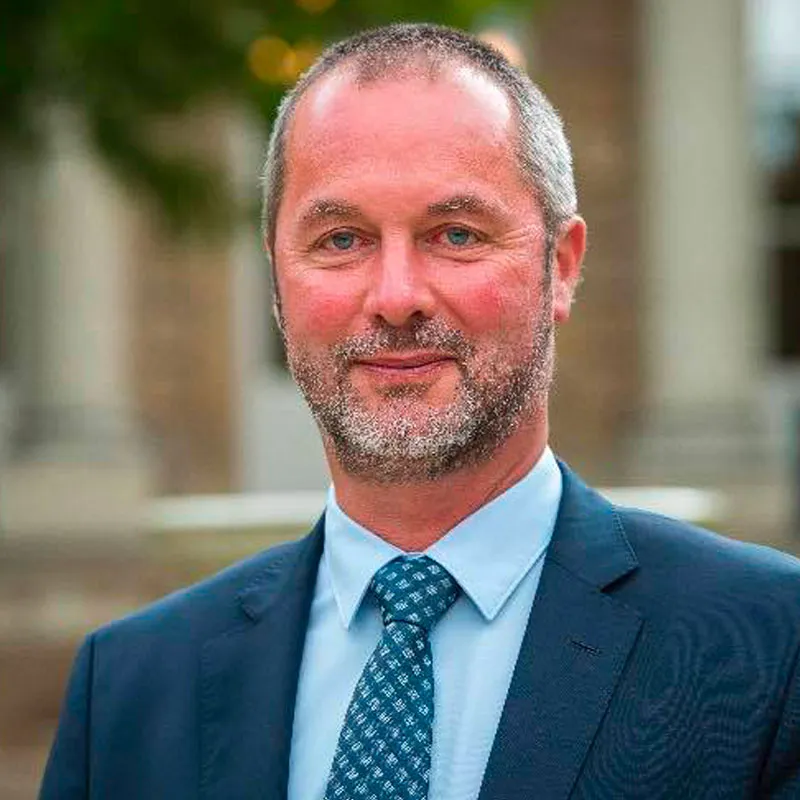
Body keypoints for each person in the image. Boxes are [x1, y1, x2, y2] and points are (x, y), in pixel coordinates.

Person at [40, 23, 800, 800]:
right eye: (341, 239)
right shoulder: (128, 688)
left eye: (456, 234)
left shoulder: (773, 650)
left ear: (562, 266)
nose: (396, 296)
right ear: (277, 283)